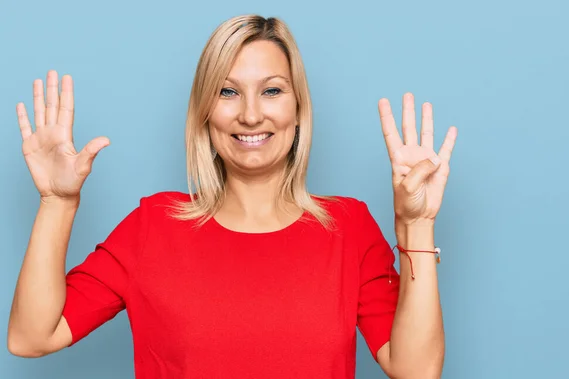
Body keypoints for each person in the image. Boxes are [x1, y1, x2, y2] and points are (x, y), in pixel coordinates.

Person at [7, 14, 457, 379]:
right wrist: (57, 203)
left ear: (298, 109)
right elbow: (31, 337)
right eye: (228, 92)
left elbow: (416, 369)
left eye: (273, 91)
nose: (250, 114)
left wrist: (417, 224)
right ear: (205, 112)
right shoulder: (153, 226)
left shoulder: (348, 227)